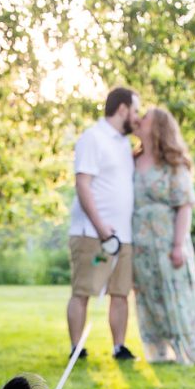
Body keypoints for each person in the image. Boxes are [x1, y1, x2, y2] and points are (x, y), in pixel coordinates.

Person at [132, 107, 195, 364]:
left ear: (157, 128)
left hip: (168, 240)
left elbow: (185, 206)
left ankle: (186, 348)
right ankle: (159, 349)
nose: (139, 120)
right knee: (149, 296)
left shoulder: (173, 163)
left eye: (145, 118)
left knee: (177, 295)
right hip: (141, 244)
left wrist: (178, 245)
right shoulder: (132, 159)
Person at [67, 86, 141, 360]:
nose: (137, 117)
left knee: (120, 294)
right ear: (122, 108)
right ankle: (77, 348)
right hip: (92, 234)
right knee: (83, 291)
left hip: (124, 236)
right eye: (135, 111)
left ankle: (119, 346)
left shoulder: (124, 144)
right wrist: (100, 227)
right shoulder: (93, 138)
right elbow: (83, 184)